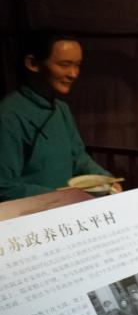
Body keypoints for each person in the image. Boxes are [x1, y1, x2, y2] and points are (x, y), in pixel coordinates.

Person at [0, 31, 114, 201]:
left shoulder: (61, 108)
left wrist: (108, 181)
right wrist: (59, 196)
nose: (73, 74)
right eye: (64, 65)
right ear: (32, 63)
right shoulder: (9, 115)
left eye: (77, 65)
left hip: (64, 205)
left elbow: (78, 157)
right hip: (32, 212)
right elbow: (3, 185)